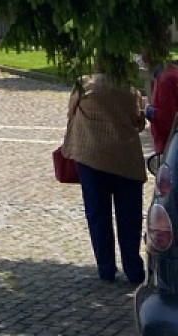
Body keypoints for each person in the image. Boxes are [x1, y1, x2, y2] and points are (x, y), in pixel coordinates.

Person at [61, 58, 147, 284]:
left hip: (91, 158)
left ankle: (106, 268)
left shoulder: (84, 86)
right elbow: (138, 123)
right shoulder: (130, 93)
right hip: (125, 161)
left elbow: (71, 112)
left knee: (98, 215)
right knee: (129, 218)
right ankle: (133, 267)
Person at [147, 56, 178, 155]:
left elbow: (168, 118)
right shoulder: (167, 74)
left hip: (169, 145)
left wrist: (149, 111)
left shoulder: (166, 79)